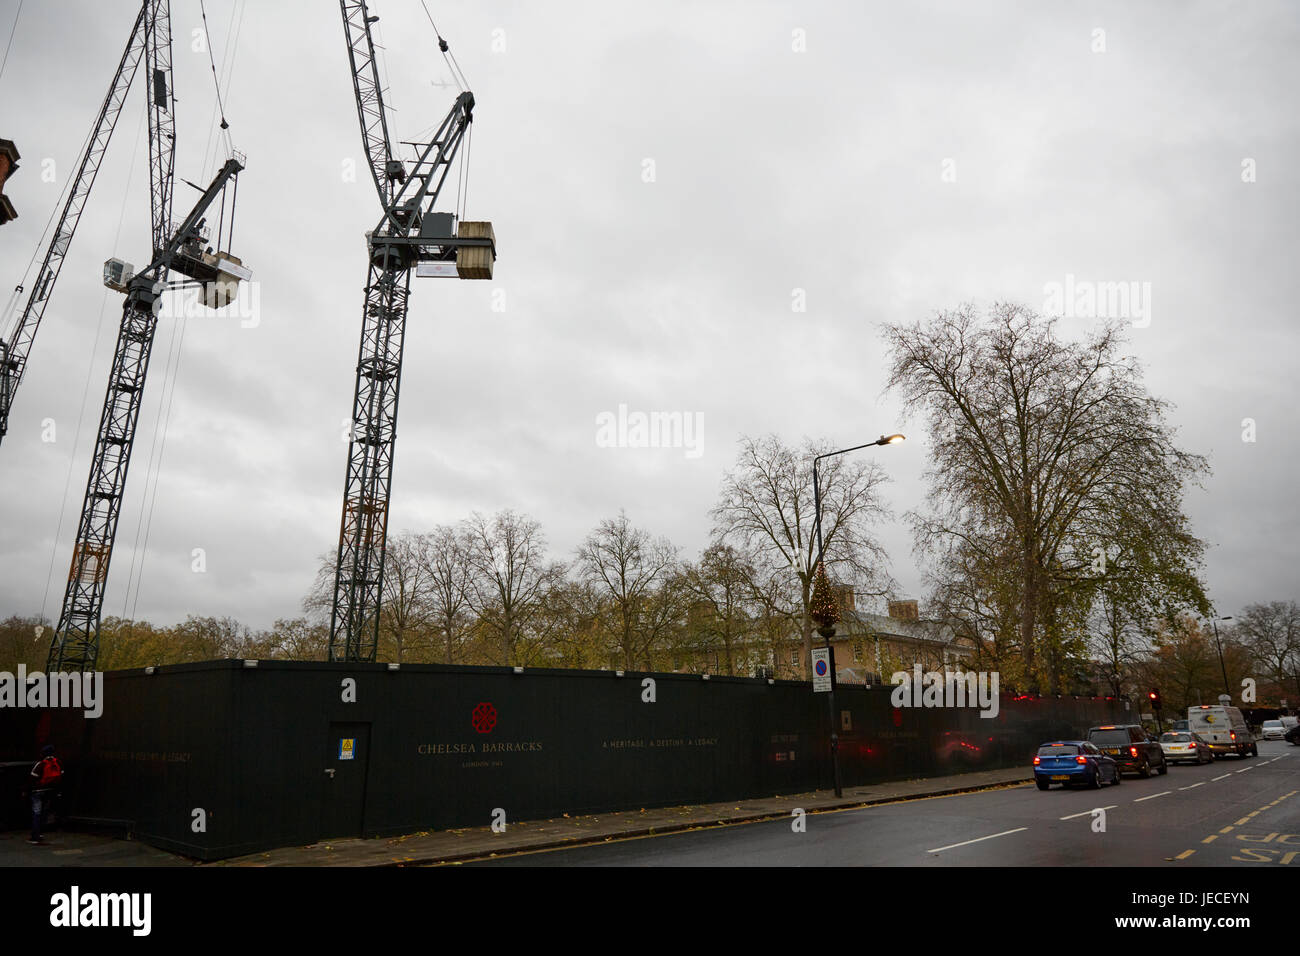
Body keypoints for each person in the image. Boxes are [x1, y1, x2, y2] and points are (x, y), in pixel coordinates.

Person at [28, 744, 62, 846]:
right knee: (44, 812)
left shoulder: (40, 764)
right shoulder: (58, 763)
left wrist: (27, 790)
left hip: (38, 792)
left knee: (36, 813)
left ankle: (35, 837)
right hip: (50, 791)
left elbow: (32, 779)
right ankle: (41, 833)